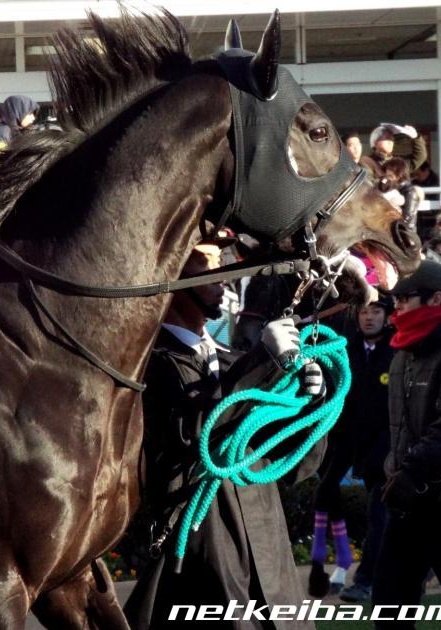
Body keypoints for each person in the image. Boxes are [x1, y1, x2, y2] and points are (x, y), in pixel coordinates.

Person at [124, 237, 326, 630]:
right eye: (208, 267)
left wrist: (308, 403)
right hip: (206, 548)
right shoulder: (148, 367)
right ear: (172, 277)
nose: (223, 279)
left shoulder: (238, 362)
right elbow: (194, 437)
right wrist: (261, 364)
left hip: (269, 549)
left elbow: (298, 466)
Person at [372, 260, 441, 627]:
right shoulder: (401, 352)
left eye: (405, 298)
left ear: (436, 298)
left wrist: (410, 471)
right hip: (408, 502)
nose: (396, 307)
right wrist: (393, 470)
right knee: (389, 609)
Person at [335, 294, 394, 603]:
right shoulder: (348, 350)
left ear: (388, 316)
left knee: (380, 516)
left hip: (394, 453)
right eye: (364, 312)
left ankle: (366, 581)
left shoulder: (399, 348)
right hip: (366, 453)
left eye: (376, 311)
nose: (369, 317)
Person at [360, 123, 427, 179]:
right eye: (387, 138)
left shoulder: (398, 163)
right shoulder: (367, 162)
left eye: (392, 139)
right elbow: (368, 183)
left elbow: (420, 157)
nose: (391, 141)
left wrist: (416, 138)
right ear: (375, 142)